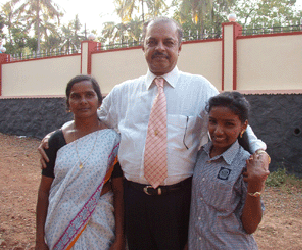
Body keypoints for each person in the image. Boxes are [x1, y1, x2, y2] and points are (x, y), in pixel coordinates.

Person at [38, 17, 270, 250]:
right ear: (143, 47)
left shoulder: (199, 88)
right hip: (133, 199)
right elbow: (92, 123)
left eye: (168, 42)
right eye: (152, 42)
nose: (160, 48)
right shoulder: (123, 93)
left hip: (179, 201)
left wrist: (260, 156)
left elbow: (239, 125)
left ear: (179, 47)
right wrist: (57, 135)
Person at [35, 75, 125, 250]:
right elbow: (44, 191)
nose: (83, 101)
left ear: (99, 101)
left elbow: (119, 192)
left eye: (89, 95)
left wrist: (120, 237)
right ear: (68, 104)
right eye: (75, 96)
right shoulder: (54, 141)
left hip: (99, 224)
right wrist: (39, 240)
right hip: (60, 224)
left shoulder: (112, 141)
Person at [188, 92, 269, 249]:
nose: (218, 131)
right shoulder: (200, 156)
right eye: (213, 122)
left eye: (229, 124)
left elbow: (250, 226)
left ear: (243, 126)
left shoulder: (246, 164)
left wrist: (254, 185)